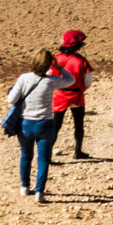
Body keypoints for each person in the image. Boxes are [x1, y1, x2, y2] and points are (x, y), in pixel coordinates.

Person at [6, 49, 75, 203]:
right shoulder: (52, 80)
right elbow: (71, 80)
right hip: (46, 124)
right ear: (48, 64)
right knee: (43, 159)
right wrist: (58, 67)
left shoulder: (24, 78)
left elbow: (11, 100)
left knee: (26, 155)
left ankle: (24, 187)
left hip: (26, 123)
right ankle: (40, 192)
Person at [50, 30, 93, 160]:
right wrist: (80, 89)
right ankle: (77, 151)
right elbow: (88, 81)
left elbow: (49, 75)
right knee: (78, 123)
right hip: (76, 95)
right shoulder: (81, 61)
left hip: (59, 95)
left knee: (55, 125)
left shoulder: (55, 58)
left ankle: (48, 154)